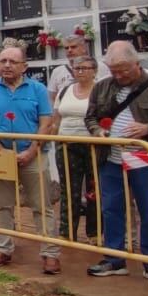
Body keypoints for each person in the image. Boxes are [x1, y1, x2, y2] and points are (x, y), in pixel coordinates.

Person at [83, 42, 148, 282]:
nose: (119, 76)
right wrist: (98, 131)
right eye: (114, 71)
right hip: (111, 158)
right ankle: (114, 258)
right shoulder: (102, 88)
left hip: (145, 157)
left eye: (124, 70)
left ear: (137, 64)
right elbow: (91, 117)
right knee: (111, 208)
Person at [0, 46, 60, 274]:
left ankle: (50, 253)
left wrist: (32, 150)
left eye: (12, 61)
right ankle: (3, 248)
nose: (6, 65)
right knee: (2, 205)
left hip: (33, 155)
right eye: (2, 61)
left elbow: (46, 122)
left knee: (41, 206)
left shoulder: (38, 90)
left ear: (24, 66)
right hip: (1, 156)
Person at [52, 56, 100, 242]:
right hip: (67, 145)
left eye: (85, 68)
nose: (80, 71)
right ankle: (67, 232)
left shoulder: (100, 90)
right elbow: (57, 119)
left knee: (93, 189)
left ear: (94, 70)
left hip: (93, 145)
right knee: (69, 190)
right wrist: (54, 140)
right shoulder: (65, 91)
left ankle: (94, 232)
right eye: (77, 68)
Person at [46, 34, 107, 99]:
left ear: (84, 48)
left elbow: (107, 91)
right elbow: (52, 98)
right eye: (66, 48)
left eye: (73, 47)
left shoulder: (100, 67)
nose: (69, 50)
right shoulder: (57, 72)